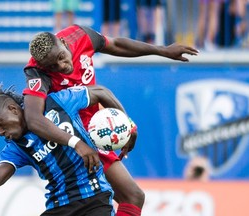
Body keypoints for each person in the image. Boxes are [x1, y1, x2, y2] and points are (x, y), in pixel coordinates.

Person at [23, 25, 198, 216]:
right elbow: (33, 119)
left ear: (64, 43)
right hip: (73, 142)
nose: (61, 67)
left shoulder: (81, 35)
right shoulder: (36, 70)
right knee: (128, 197)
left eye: (61, 58)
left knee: (132, 197)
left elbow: (116, 44)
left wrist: (162, 50)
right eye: (53, 67)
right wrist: (76, 143)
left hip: (93, 132)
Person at [0, 83, 135, 215]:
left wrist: (128, 124)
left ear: (13, 109)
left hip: (95, 197)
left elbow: (101, 92)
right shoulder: (16, 147)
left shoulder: (57, 102)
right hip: (59, 206)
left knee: (135, 197)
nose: (0, 132)